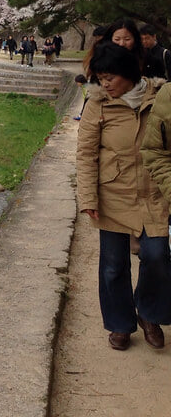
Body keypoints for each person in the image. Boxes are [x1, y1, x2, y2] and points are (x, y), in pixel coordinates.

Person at [76, 41, 171, 351]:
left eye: (110, 77)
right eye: (101, 78)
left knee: (157, 256)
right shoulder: (98, 104)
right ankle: (120, 324)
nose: (105, 84)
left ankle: (149, 313)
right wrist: (88, 197)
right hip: (113, 194)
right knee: (114, 265)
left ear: (129, 73)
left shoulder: (159, 99)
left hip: (152, 193)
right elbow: (86, 152)